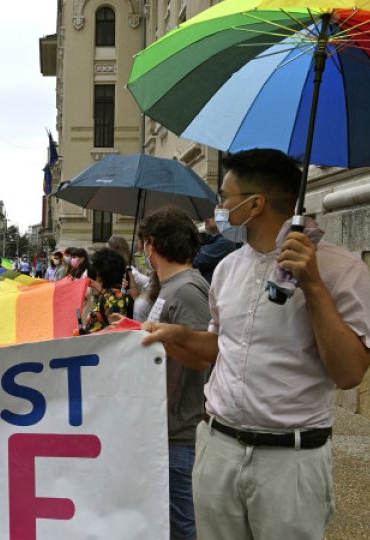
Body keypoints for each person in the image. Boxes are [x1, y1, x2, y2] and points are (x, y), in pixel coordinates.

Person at [142, 149, 370, 540]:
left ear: (254, 204)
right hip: (218, 449)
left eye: (223, 198)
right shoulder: (227, 269)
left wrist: (313, 285)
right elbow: (223, 348)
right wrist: (178, 337)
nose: (218, 209)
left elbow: (350, 372)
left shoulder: (343, 269)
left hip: (290, 463)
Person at [138, 206, 211, 540]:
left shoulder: (186, 290)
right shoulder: (172, 287)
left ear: (150, 245)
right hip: (166, 429)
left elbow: (202, 356)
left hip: (181, 433)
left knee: (184, 528)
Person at [75, 248, 129, 334]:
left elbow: (116, 329)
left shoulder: (115, 296)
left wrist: (88, 335)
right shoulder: (109, 293)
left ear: (103, 271)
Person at [193, 217, 240, 283]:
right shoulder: (212, 237)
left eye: (215, 217)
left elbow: (195, 259)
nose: (209, 219)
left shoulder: (227, 242)